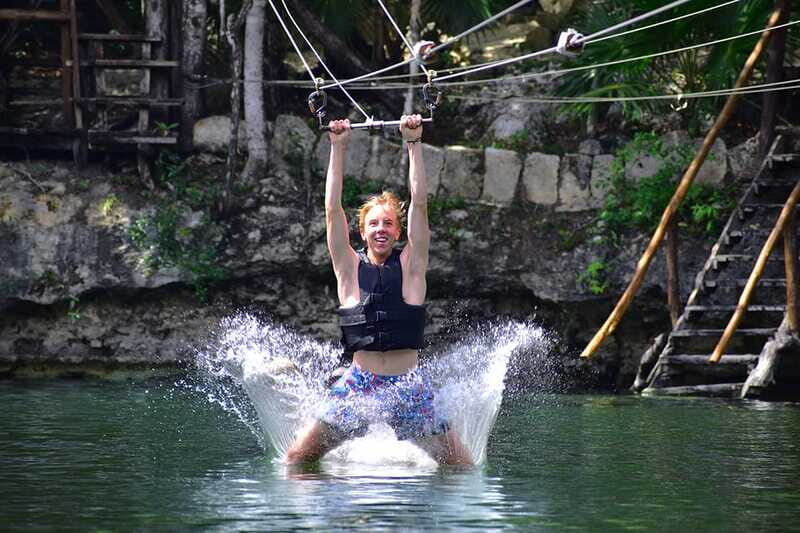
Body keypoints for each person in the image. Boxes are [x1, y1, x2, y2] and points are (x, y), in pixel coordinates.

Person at [285, 115, 473, 466]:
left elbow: (419, 204)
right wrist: (337, 148)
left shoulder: (412, 266)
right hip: (359, 386)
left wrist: (414, 144)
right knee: (297, 459)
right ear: (362, 232)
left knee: (461, 467)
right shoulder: (348, 267)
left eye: (388, 223)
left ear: (398, 232)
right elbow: (331, 210)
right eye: (374, 223)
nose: (381, 229)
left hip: (408, 388)